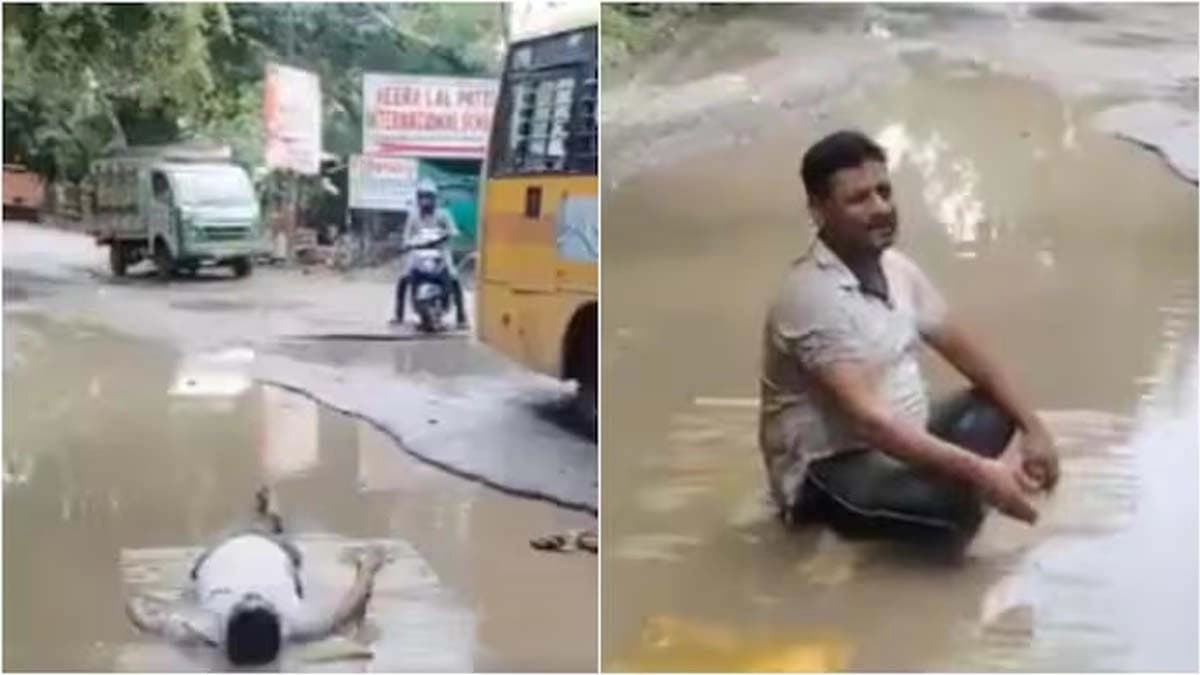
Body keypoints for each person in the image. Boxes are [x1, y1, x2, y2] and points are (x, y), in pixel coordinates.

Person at [760, 130, 1060, 549]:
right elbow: (871, 423)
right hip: (831, 471)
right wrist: (981, 472)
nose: (880, 208)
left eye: (884, 191)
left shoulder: (898, 268)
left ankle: (953, 490)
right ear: (818, 210)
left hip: (901, 441)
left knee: (997, 404)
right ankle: (950, 502)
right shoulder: (813, 297)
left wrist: (1035, 428)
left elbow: (972, 355)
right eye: (858, 198)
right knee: (952, 511)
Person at [125, 488, 387, 666]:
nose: (250, 594)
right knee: (274, 530)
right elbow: (349, 608)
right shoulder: (294, 625)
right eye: (258, 599)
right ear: (277, 620)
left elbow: (145, 618)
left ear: (227, 625)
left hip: (219, 551)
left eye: (245, 600)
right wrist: (368, 567)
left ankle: (266, 510)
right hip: (273, 550)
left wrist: (138, 604)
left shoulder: (206, 631)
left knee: (254, 527)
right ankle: (270, 511)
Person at [393, 179, 468, 328]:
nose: (425, 201)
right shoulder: (413, 216)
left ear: (434, 198)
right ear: (417, 198)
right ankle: (398, 315)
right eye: (422, 197)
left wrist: (450, 234)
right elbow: (407, 236)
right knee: (403, 279)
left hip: (440, 253)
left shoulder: (443, 214)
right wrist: (406, 244)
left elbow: (452, 230)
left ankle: (461, 317)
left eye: (428, 197)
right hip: (418, 254)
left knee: (454, 279)